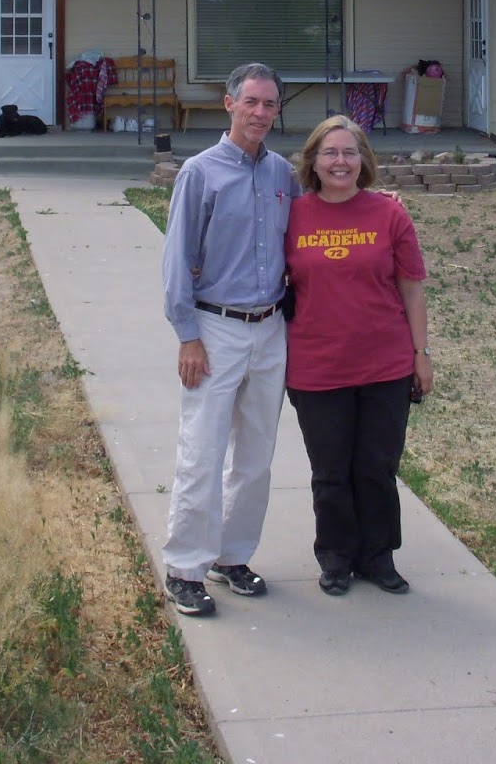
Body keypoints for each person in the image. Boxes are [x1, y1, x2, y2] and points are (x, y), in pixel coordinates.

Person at [160, 62, 297, 616]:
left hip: (270, 328)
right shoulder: (200, 173)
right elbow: (177, 260)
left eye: (270, 104)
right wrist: (187, 336)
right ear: (230, 104)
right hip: (215, 329)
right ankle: (185, 567)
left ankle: (232, 556)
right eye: (251, 102)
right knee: (202, 450)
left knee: (256, 455)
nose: (260, 113)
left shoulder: (283, 174)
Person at [284, 114, 431, 596]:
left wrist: (421, 354)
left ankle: (377, 556)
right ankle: (336, 557)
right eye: (329, 152)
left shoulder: (389, 214)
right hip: (317, 366)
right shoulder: (292, 216)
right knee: (330, 471)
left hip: (384, 365)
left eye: (349, 152)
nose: (340, 162)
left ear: (363, 160)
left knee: (376, 467)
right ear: (313, 161)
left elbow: (412, 288)